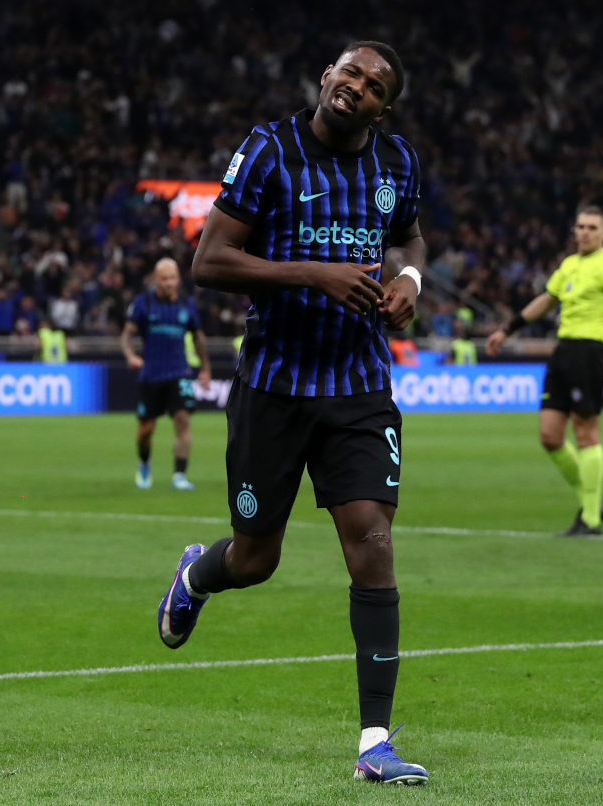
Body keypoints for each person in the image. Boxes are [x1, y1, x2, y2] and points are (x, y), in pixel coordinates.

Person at [155, 41, 429, 785]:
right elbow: (209, 261)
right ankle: (196, 576)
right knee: (256, 557)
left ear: (384, 107)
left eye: (374, 86)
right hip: (273, 387)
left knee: (370, 538)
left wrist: (407, 277)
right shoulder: (270, 149)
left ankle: (375, 742)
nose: (357, 87)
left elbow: (409, 236)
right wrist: (310, 273)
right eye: (350, 73)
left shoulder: (397, 163)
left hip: (358, 385)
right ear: (326, 77)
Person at [486, 206, 603, 535]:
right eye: (579, 226)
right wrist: (507, 328)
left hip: (591, 350)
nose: (583, 232)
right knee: (550, 436)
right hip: (563, 350)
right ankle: (592, 501)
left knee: (586, 432)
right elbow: (545, 300)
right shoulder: (569, 265)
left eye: (591, 227)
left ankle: (592, 519)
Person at [121, 257, 212, 491]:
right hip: (150, 374)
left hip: (179, 372)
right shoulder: (144, 303)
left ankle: (179, 476)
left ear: (179, 279)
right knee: (146, 430)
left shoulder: (186, 304)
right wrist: (131, 355)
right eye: (164, 278)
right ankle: (144, 464)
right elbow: (126, 335)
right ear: (155, 279)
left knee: (183, 421)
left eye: (172, 278)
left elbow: (198, 337)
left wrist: (205, 368)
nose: (169, 283)